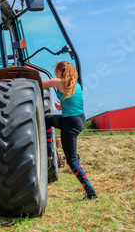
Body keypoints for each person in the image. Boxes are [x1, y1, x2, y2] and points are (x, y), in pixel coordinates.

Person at [42, 61, 98, 200]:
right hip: (78, 119)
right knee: (47, 119)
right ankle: (49, 149)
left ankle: (91, 193)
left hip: (70, 123)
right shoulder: (75, 85)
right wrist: (62, 108)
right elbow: (73, 105)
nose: (55, 73)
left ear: (61, 71)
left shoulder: (59, 81)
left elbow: (39, 83)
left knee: (72, 160)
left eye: (56, 70)